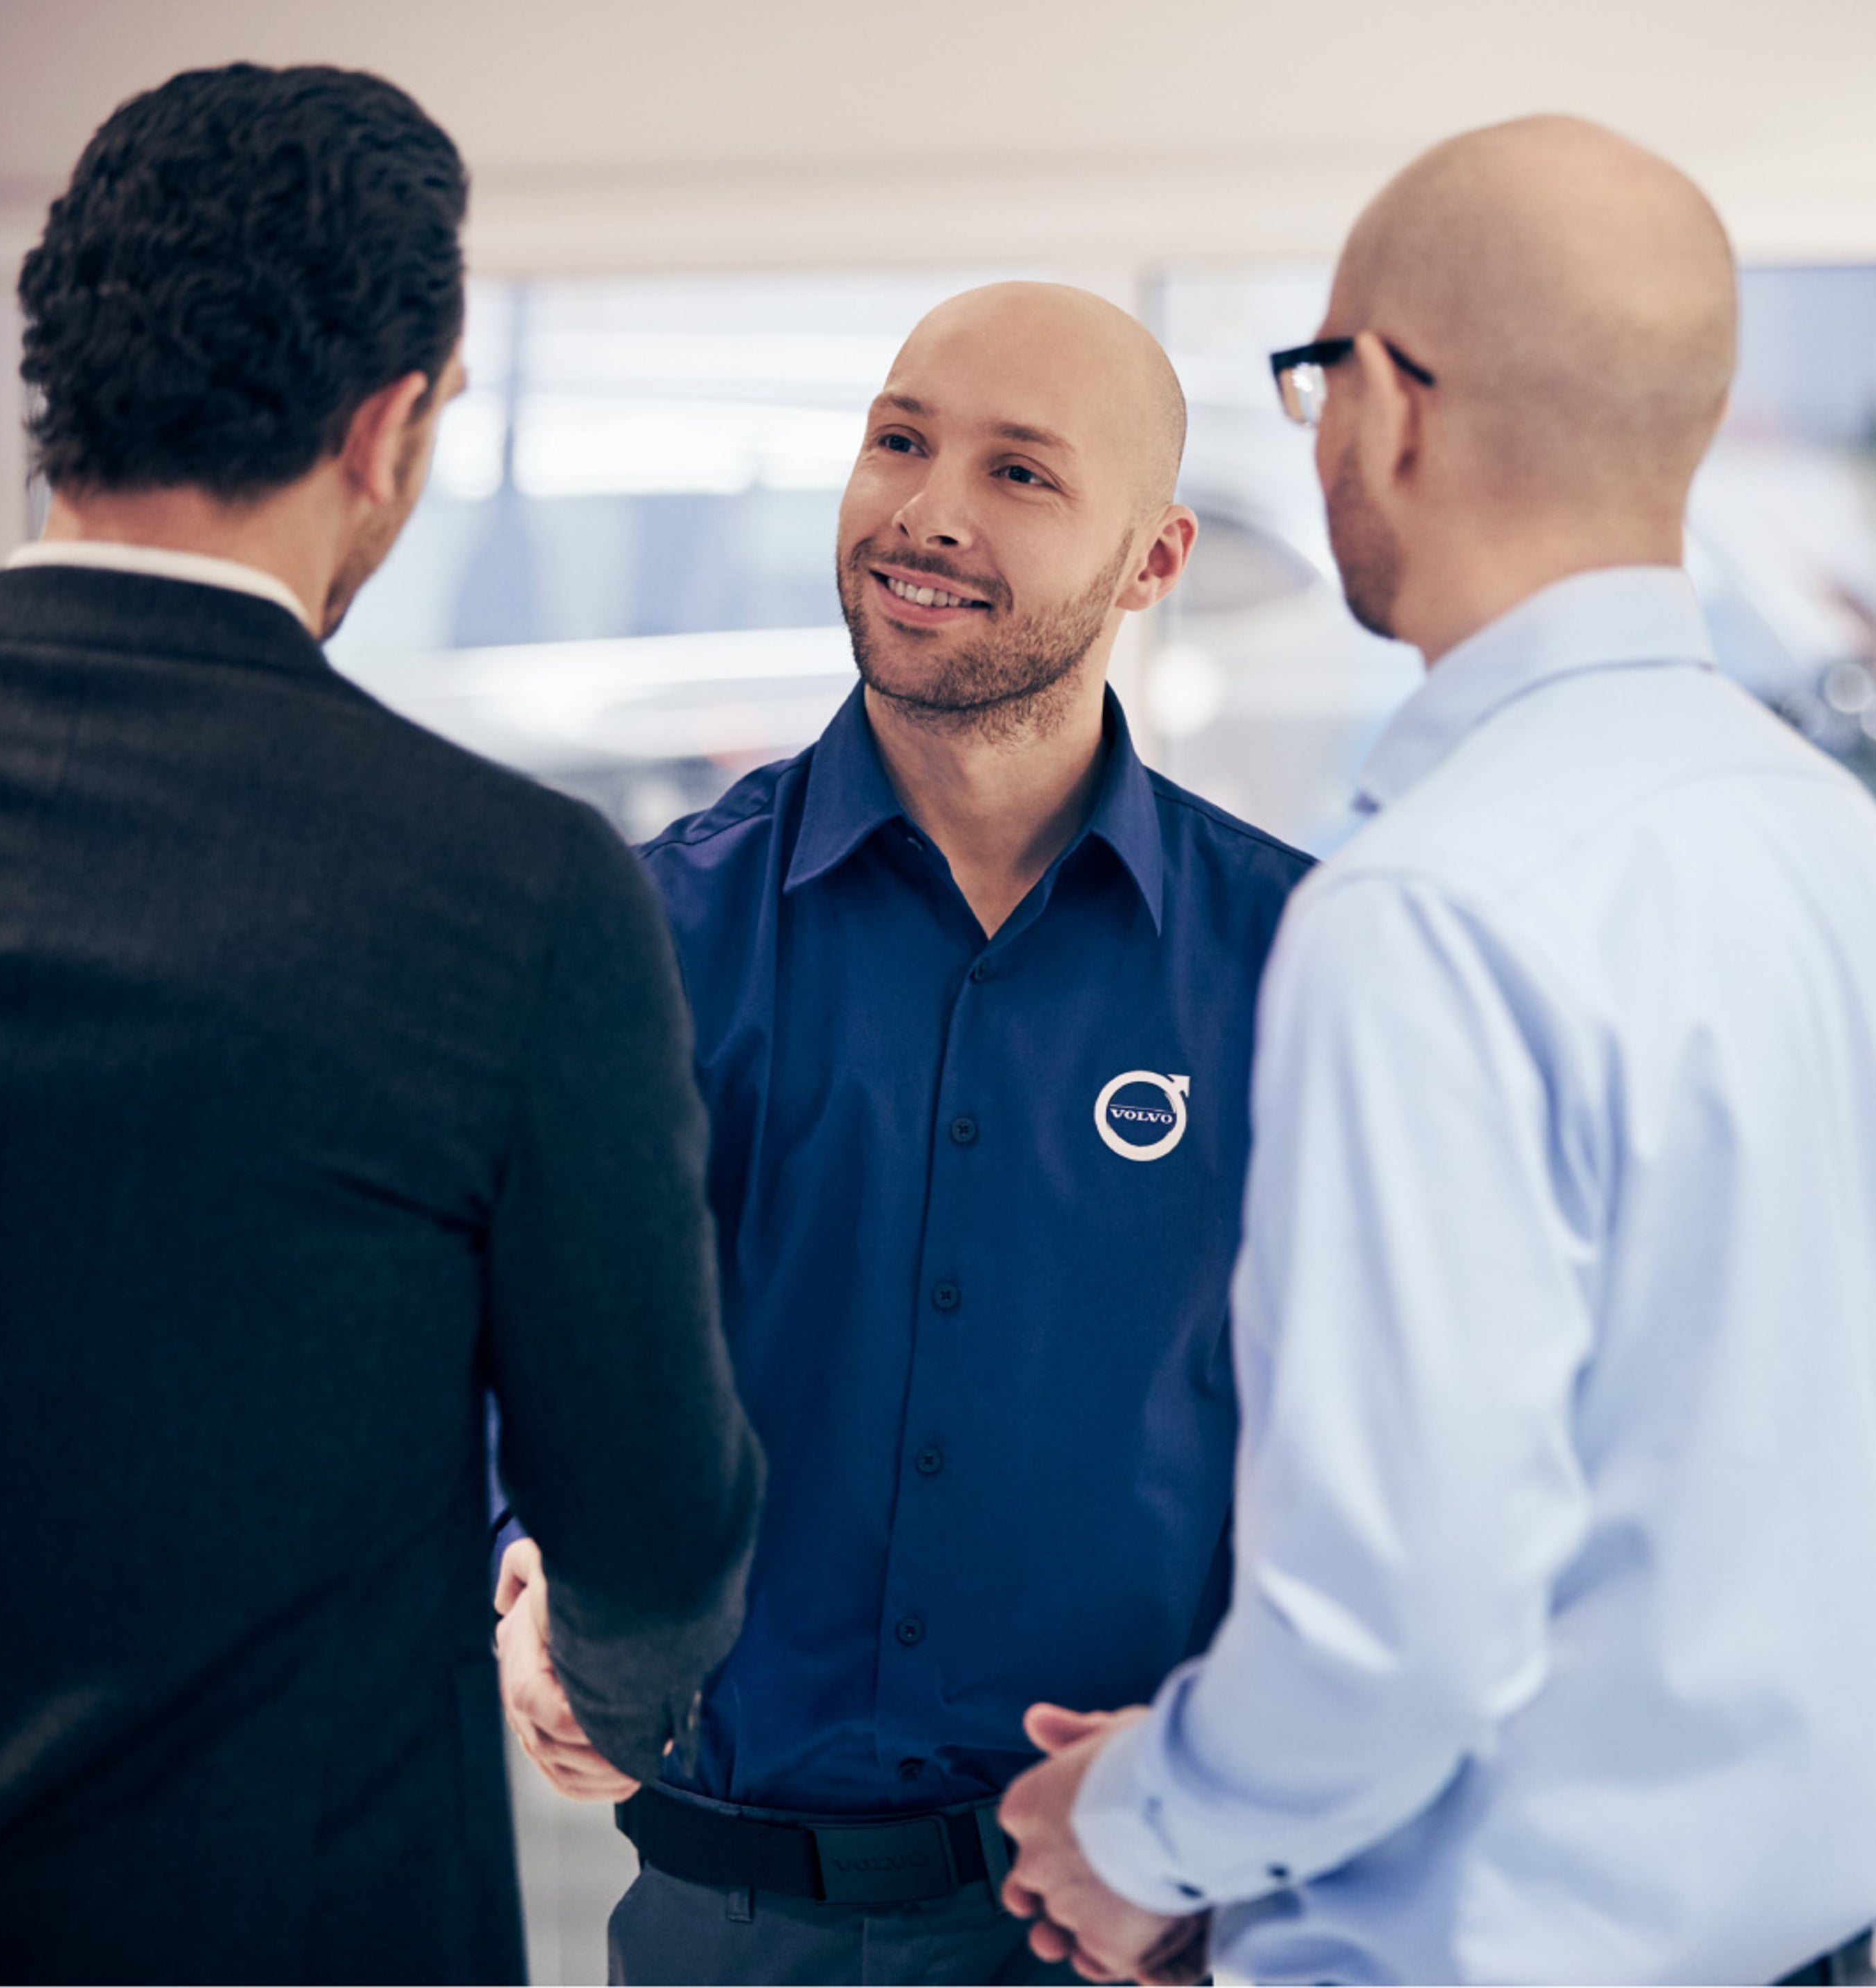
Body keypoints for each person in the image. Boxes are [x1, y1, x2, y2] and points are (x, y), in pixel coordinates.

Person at [0, 64, 761, 1982]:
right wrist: (606, 1686)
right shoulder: (506, 888)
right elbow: (653, 1518)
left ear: (58, 382)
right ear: (391, 428)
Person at [998, 116, 1876, 1987]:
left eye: (1313, 380)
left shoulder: (1425, 914)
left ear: (1385, 403)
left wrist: (1137, 1827)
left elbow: (1395, 1635)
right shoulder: (1869, 887)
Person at [491, 281, 1314, 1985]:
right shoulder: (653, 935)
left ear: (1151, 561)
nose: (928, 510)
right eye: (899, 441)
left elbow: (1365, 1446)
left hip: (1118, 1923)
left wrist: (1237, 1826)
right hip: (721, 1922)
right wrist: (519, 1572)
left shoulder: (1299, 963)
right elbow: (519, 1345)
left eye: (1022, 473)